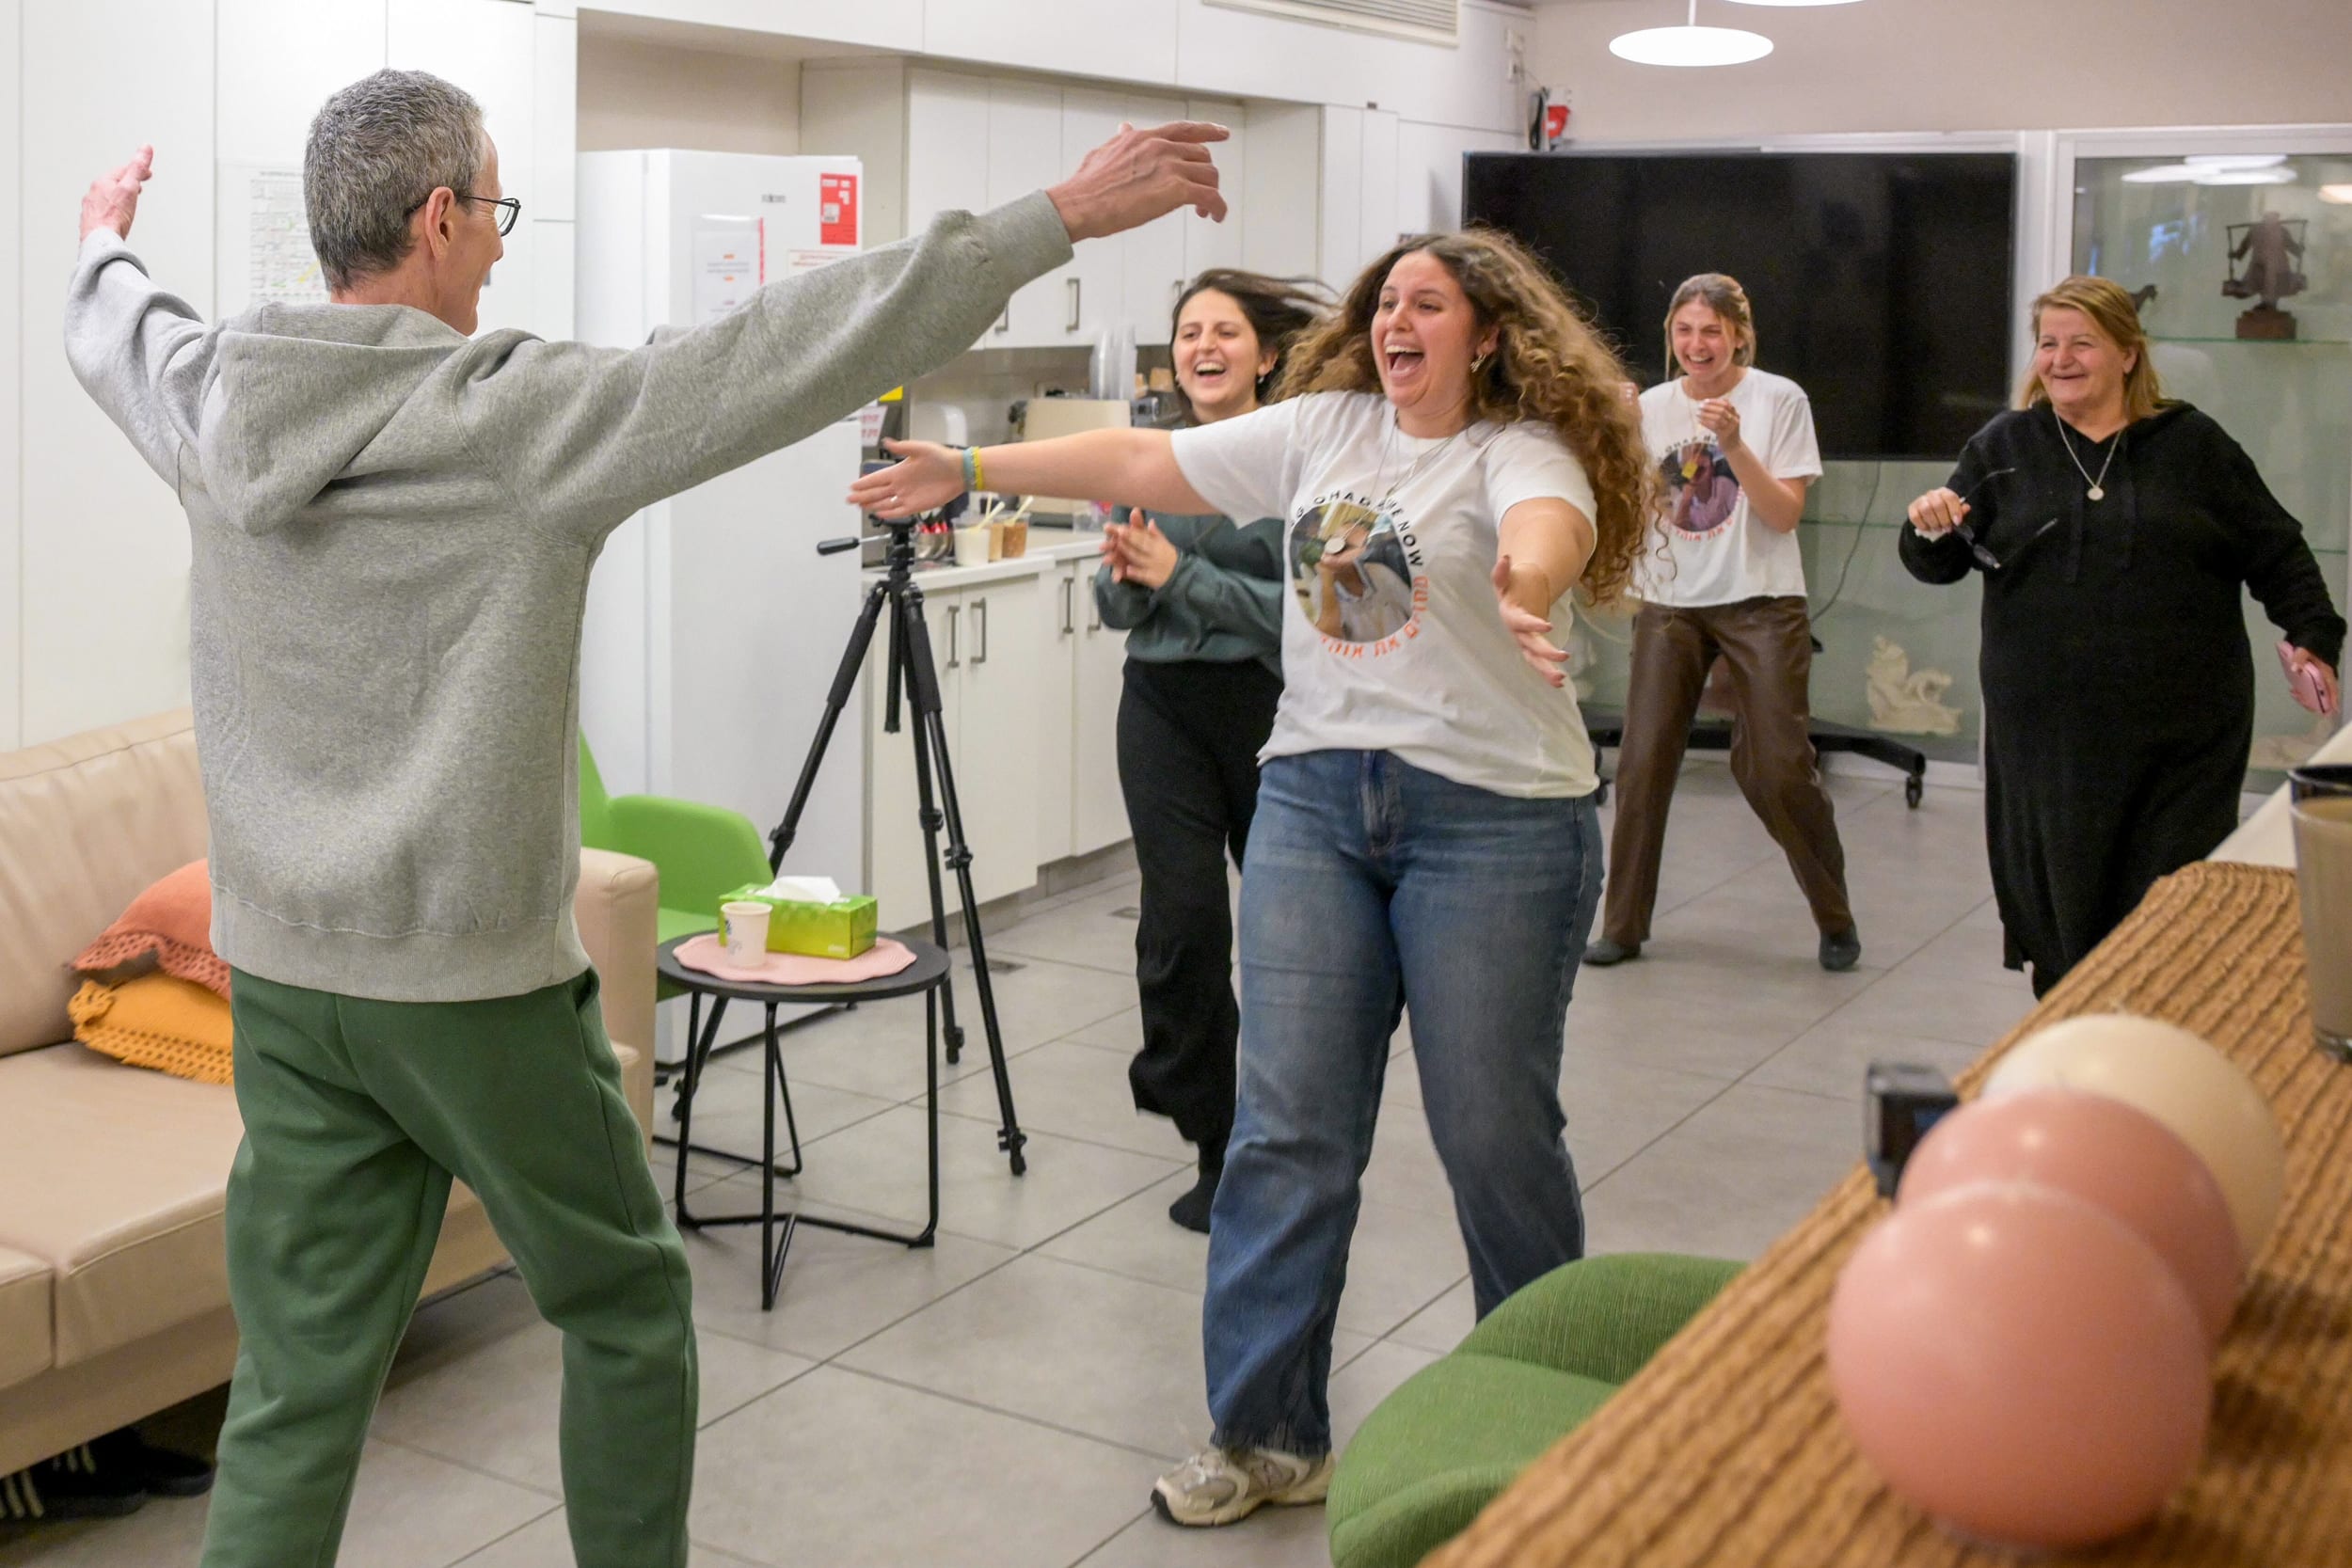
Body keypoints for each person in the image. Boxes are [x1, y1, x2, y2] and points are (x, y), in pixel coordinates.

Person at [65, 70, 1224, 1568]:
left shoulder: (213, 396)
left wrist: (100, 238)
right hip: (471, 989)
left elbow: (113, 330)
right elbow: (783, 348)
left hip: (284, 985)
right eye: (491, 212)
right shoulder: (523, 418)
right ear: (435, 218)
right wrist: (1052, 216)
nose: (497, 247)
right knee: (620, 1301)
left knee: (293, 1379)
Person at [850, 227, 1653, 1528]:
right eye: (1387, 300)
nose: (1398, 319)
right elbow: (1142, 460)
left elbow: (1546, 527)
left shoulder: (1520, 449)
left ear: (1488, 334)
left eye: (1429, 305)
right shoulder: (1323, 426)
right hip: (1318, 800)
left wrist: (1529, 579)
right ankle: (1267, 1431)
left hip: (1495, 818)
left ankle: (1548, 1418)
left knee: (1494, 1132)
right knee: (1287, 1134)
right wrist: (968, 464)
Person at [1903, 275, 2344, 996]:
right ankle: (2076, 1046)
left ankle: (2158, 1048)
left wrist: (2312, 635)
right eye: (2049, 343)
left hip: (2181, 737)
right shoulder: (2005, 445)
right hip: (2047, 739)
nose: (2061, 359)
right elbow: (1940, 561)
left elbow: (2278, 550)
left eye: (2083, 343)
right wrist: (1927, 526)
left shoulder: (2192, 444)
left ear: (2129, 354)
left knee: (2166, 913)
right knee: (2062, 913)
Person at [1094, 269, 1327, 1233]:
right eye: (1189, 330)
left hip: (1271, 708)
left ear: (1264, 354)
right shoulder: (1146, 457)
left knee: (1283, 937)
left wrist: (1179, 573)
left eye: (1224, 330)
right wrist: (1140, 579)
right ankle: (1213, 1135)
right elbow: (1115, 605)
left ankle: (1291, 1136)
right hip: (1160, 706)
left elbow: (1308, 616)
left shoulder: (1303, 462)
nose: (1203, 346)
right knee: (1183, 921)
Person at [1585, 273, 1860, 973]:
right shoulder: (1651, 407)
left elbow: (1783, 514)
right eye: (1684, 331)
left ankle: (1834, 915)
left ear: (1740, 333)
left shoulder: (1779, 400)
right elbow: (1624, 505)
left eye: (1712, 331)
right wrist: (1606, 430)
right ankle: (1622, 925)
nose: (1697, 345)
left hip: (1761, 602)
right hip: (1673, 603)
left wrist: (1736, 446)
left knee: (1778, 768)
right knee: (1642, 762)